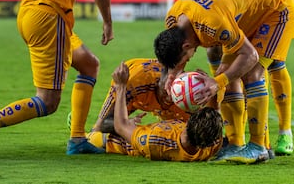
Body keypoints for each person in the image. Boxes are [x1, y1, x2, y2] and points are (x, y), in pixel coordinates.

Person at [0, 0, 113, 158]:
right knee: (48, 101)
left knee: (89, 64)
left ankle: (77, 139)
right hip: (49, 16)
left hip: (31, 9)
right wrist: (107, 22)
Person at [154, 0, 294, 164]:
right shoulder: (174, 18)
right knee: (225, 71)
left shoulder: (213, 23)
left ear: (187, 45)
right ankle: (236, 144)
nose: (187, 61)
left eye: (185, 60)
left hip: (276, 13)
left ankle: (258, 147)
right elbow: (178, 51)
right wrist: (172, 73)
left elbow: (251, 56)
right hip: (246, 18)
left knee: (251, 73)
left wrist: (217, 82)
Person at [192, 0, 294, 156]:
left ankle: (282, 133)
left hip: (271, 2)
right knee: (233, 66)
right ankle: (238, 141)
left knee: (268, 66)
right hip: (242, 3)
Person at [91, 61, 223, 162]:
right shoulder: (213, 144)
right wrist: (211, 90)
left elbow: (121, 127)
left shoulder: (155, 140)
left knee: (95, 135)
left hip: (112, 141)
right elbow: (214, 114)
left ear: (187, 124)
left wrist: (121, 86)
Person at [66, 58, 191, 145]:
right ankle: (78, 123)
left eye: (172, 94)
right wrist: (127, 124)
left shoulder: (185, 95)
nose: (168, 97)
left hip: (157, 95)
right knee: (99, 130)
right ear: (158, 84)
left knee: (178, 132)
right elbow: (104, 124)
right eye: (165, 93)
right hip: (129, 85)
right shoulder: (134, 83)